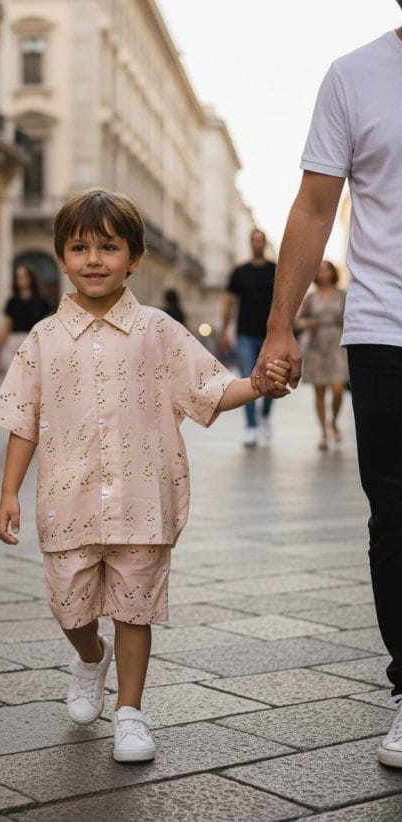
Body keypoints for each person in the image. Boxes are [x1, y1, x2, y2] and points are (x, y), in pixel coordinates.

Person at [0, 188, 289, 764]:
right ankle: (88, 655)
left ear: (135, 258)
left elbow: (208, 388)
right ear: (62, 257)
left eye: (108, 247)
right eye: (80, 248)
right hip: (67, 498)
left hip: (143, 497)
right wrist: (8, 492)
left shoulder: (158, 329)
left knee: (134, 607)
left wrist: (259, 386)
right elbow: (21, 419)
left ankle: (130, 712)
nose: (94, 259)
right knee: (69, 605)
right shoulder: (44, 339)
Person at [253, 6, 402, 769]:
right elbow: (316, 204)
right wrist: (281, 325)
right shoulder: (353, 76)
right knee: (397, 516)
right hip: (385, 330)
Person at [220, 229, 276, 448]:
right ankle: (251, 426)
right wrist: (225, 330)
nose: (258, 244)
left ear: (265, 244)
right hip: (244, 334)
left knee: (272, 378)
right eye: (255, 241)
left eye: (261, 241)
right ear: (250, 244)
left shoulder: (275, 270)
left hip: (270, 335)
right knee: (249, 379)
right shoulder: (239, 271)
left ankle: (266, 415)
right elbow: (229, 302)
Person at [295, 260, 347, 451]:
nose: (322, 273)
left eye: (326, 269)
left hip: (336, 345)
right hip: (316, 346)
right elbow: (297, 321)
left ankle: (333, 421)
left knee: (338, 388)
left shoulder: (343, 295)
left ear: (333, 272)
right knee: (319, 390)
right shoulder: (311, 297)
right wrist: (309, 323)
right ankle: (323, 432)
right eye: (319, 270)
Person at [0, 264, 50, 373]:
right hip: (14, 342)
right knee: (14, 378)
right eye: (18, 277)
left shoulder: (41, 301)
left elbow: (48, 326)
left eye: (24, 276)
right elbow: (5, 326)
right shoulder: (12, 302)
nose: (21, 280)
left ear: (31, 278)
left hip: (35, 342)